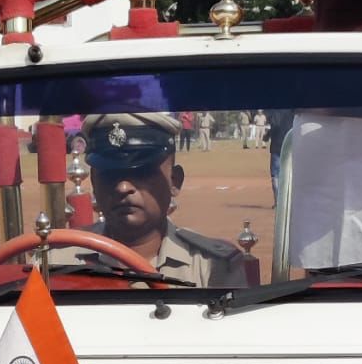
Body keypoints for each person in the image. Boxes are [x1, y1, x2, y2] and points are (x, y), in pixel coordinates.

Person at [75, 113, 248, 289]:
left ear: (174, 181)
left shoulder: (211, 266)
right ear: (94, 182)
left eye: (141, 173)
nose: (123, 187)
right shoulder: (55, 260)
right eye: (110, 174)